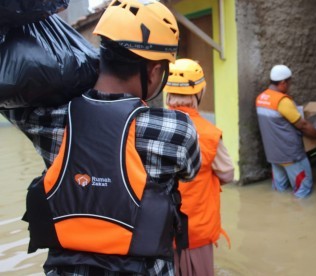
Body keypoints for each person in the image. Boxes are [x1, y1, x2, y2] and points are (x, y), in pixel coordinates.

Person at [1, 1, 201, 275]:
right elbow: (191, 171)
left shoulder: (47, 119)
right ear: (154, 72)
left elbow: (15, 95)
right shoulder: (178, 130)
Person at [164, 59, 234, 276]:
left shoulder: (152, 125)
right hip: (197, 229)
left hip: (158, 228)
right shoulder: (210, 133)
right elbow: (227, 173)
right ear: (199, 94)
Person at [256, 64, 316, 198]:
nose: (290, 87)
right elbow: (303, 125)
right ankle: (298, 218)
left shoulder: (260, 98)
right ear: (283, 83)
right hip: (291, 155)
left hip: (273, 155)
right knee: (303, 190)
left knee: (279, 191)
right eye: (289, 83)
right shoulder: (282, 101)